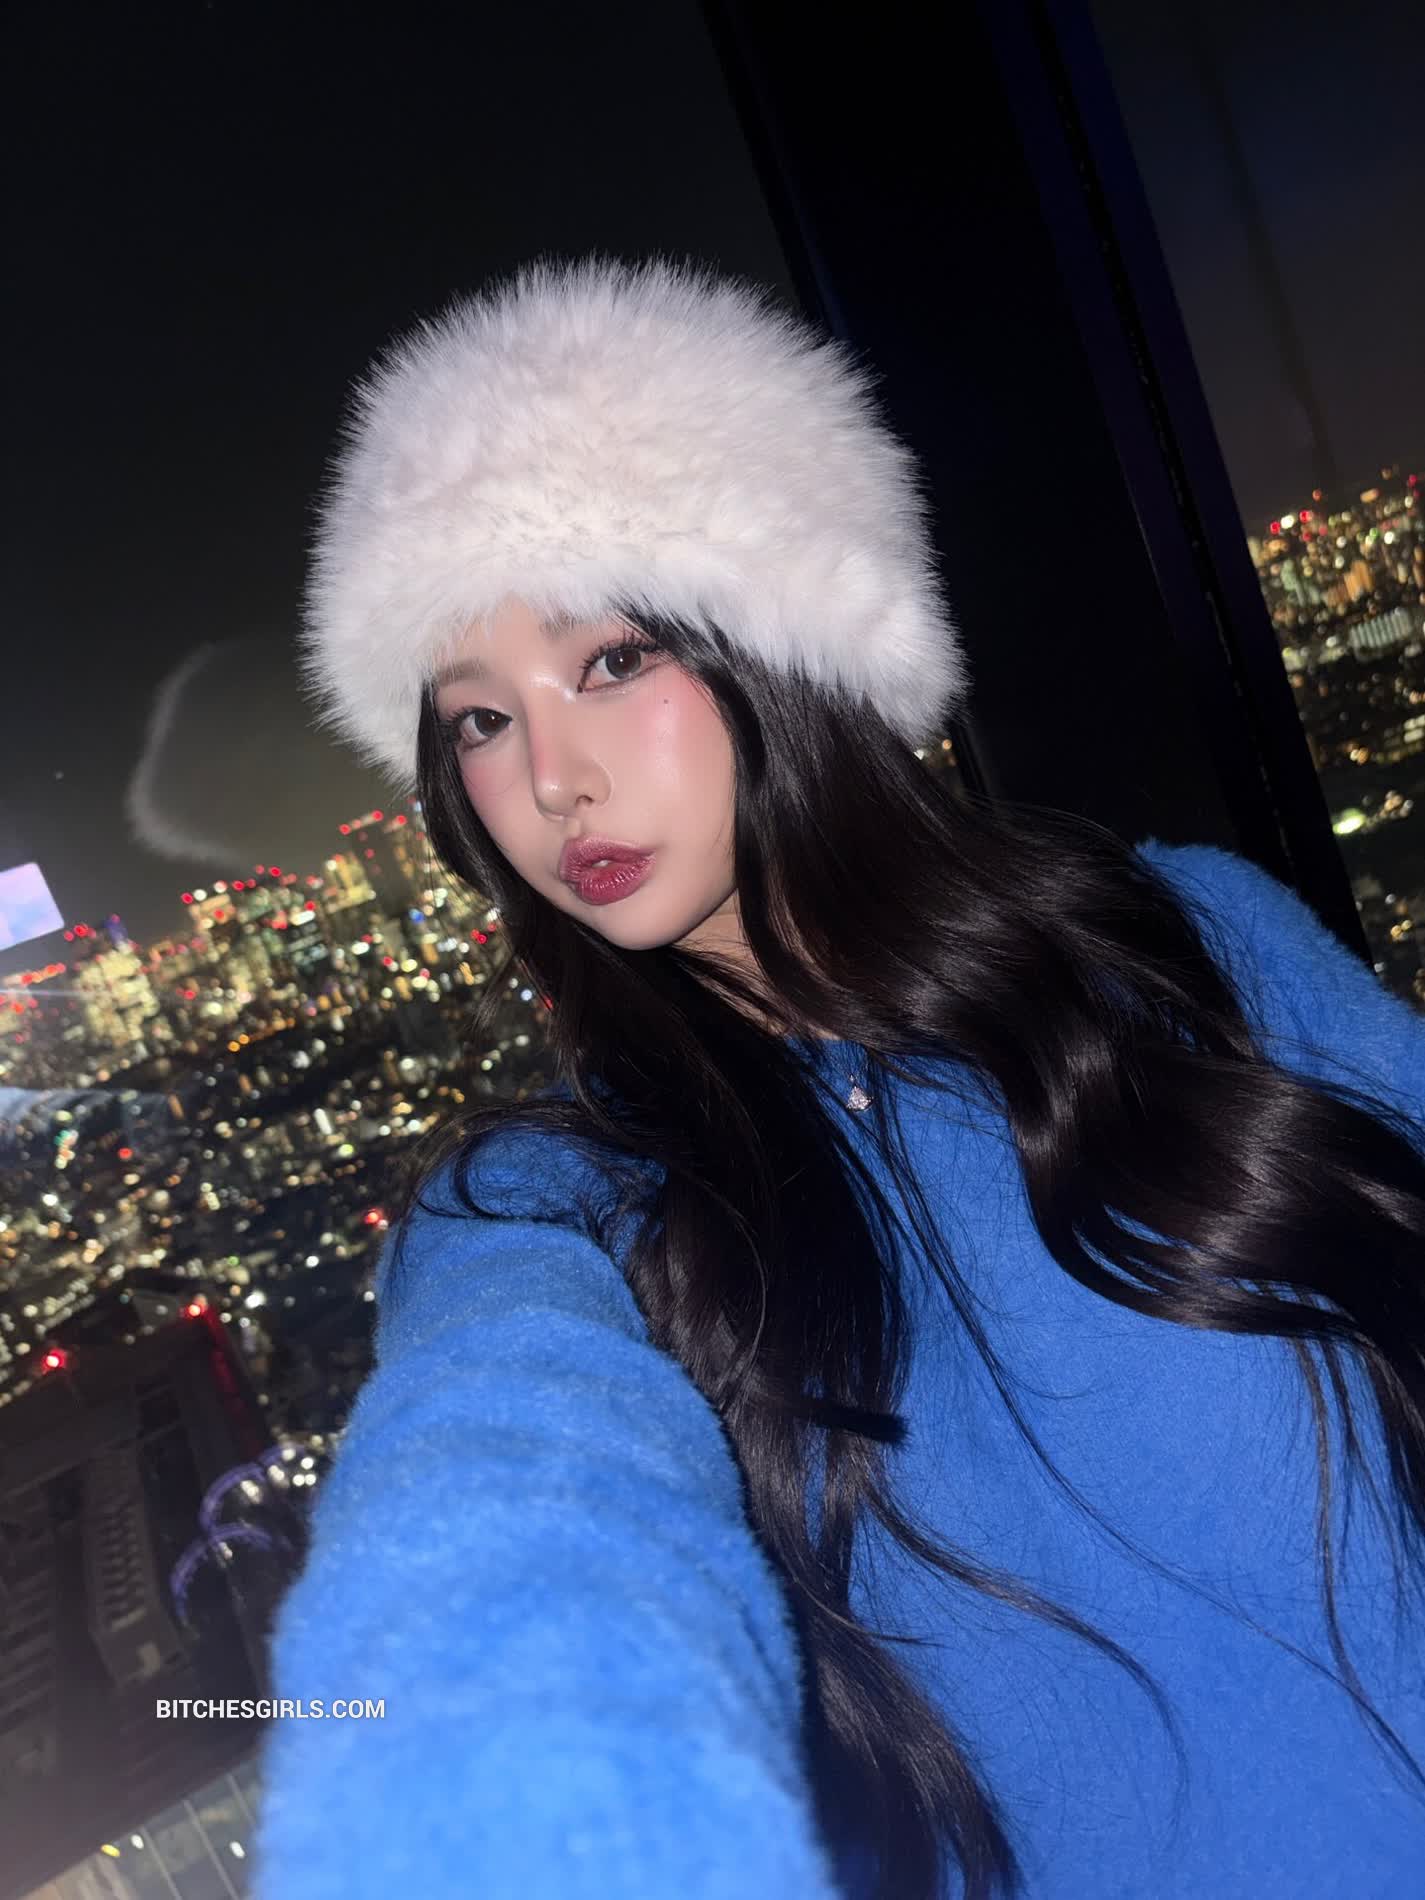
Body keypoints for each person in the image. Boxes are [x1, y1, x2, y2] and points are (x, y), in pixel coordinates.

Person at [251, 256, 1425, 1900]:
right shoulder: (546, 1207)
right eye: (477, 724)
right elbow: (506, 1508)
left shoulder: (1181, 943)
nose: (550, 779)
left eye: (609, 662)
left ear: (781, 641)